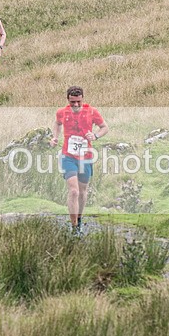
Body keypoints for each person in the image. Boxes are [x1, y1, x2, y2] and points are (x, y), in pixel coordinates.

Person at [48, 86, 109, 235]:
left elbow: (104, 127)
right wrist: (55, 137)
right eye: (72, 102)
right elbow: (57, 123)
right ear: (68, 100)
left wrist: (95, 136)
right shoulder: (62, 112)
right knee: (74, 191)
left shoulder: (92, 112)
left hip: (86, 157)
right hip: (68, 156)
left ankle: (79, 219)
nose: (75, 105)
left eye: (78, 102)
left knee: (82, 192)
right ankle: (74, 228)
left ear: (83, 99)